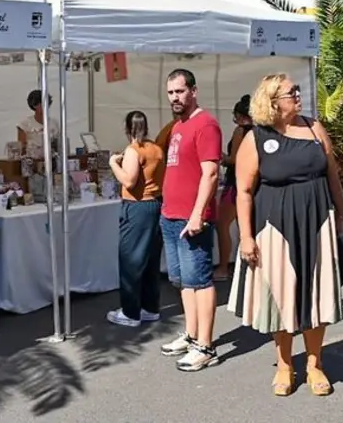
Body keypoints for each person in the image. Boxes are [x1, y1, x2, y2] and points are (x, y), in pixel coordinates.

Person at [227, 74, 343, 398]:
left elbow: (332, 174)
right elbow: (242, 191)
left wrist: (341, 211)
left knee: (317, 294)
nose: (298, 95)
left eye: (297, 89)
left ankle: (314, 364)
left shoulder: (313, 127)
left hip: (316, 220)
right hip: (274, 226)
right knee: (281, 297)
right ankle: (284, 365)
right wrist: (246, 237)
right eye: (290, 92)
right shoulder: (256, 138)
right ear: (271, 101)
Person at [158, 69, 224, 371]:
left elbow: (210, 172)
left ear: (193, 91)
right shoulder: (177, 126)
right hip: (170, 216)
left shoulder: (206, 124)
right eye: (171, 92)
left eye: (180, 91)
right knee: (183, 281)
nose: (175, 97)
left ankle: (205, 346)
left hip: (191, 218)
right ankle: (192, 333)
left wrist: (198, 214)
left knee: (200, 280)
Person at [106, 110, 166, 328]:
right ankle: (150, 307)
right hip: (154, 204)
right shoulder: (157, 149)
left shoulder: (134, 150)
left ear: (128, 128)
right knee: (150, 258)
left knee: (130, 258)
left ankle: (130, 312)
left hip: (137, 206)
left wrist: (113, 163)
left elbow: (129, 181)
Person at [215, 95, 253, 281]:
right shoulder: (259, 131)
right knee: (245, 227)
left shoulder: (241, 131)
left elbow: (235, 159)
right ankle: (246, 266)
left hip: (235, 184)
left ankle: (223, 268)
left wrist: (222, 157)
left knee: (222, 225)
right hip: (251, 184)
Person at [17, 88, 57, 153]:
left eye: (47, 103)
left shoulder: (54, 123)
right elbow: (21, 147)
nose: (46, 106)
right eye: (42, 103)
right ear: (34, 105)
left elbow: (58, 144)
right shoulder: (25, 124)